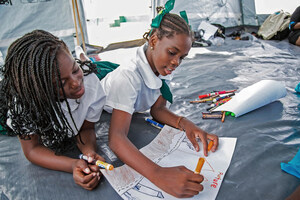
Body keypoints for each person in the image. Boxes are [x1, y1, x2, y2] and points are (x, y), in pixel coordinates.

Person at [100, 0, 219, 198]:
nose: (176, 62)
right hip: (107, 103)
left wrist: (186, 124)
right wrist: (159, 174)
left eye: (183, 57)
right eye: (172, 53)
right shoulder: (127, 78)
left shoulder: (161, 66)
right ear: (154, 41)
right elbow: (116, 139)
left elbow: (158, 109)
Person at [0, 30, 106, 190]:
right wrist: (72, 165)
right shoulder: (25, 105)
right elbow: (32, 149)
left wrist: (89, 153)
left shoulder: (89, 83)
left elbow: (86, 128)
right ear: (39, 91)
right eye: (61, 82)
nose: (76, 83)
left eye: (75, 69)